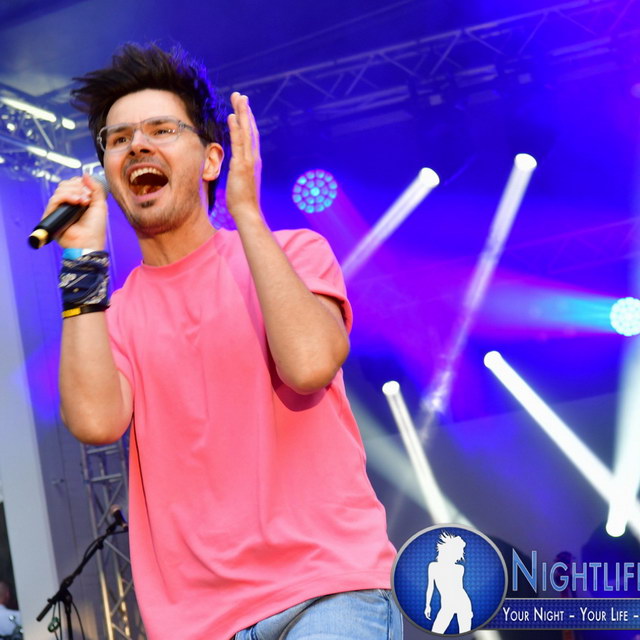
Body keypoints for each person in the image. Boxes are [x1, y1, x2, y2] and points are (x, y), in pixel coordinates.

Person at [46, 43, 402, 639]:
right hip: (197, 623)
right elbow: (94, 422)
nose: (138, 145)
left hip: (324, 590)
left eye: (162, 129)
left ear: (212, 159)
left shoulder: (294, 252)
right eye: (119, 138)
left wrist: (247, 212)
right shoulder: (116, 314)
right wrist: (82, 260)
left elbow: (310, 364)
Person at [424, 532, 473, 633]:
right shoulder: (433, 566)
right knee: (436, 631)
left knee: (465, 633)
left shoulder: (459, 568)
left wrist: (468, 610)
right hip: (447, 605)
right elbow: (430, 587)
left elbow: (459, 589)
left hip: (462, 603)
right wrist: (427, 605)